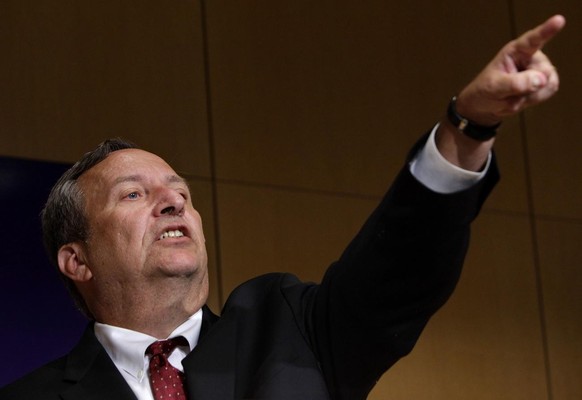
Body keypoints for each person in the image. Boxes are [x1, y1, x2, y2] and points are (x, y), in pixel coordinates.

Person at [0, 14, 565, 400]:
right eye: (134, 194)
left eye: (180, 191)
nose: (173, 200)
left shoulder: (291, 328)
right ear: (77, 260)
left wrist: (468, 126)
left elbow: (401, 268)